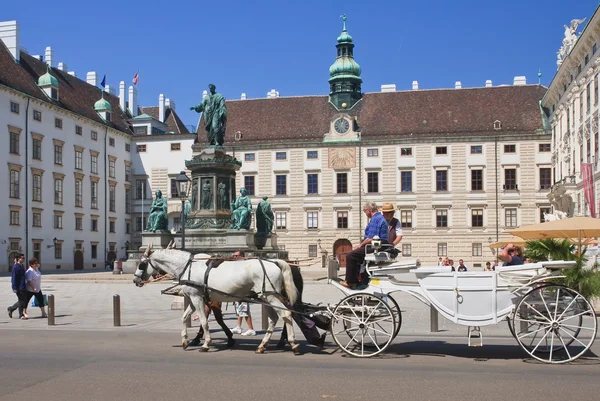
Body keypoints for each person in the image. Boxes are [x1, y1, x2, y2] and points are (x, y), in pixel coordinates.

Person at [341, 202, 388, 289]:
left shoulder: (375, 219)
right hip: (378, 245)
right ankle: (360, 279)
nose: (365, 213)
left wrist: (360, 245)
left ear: (369, 210)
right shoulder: (379, 218)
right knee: (356, 255)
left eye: (364, 211)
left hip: (375, 246)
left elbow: (371, 238)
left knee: (350, 255)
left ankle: (351, 282)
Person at [230, 250, 256, 336]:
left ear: (241, 256)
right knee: (239, 310)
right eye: (234, 256)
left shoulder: (245, 265)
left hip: (244, 291)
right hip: (238, 291)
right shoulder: (237, 265)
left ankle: (251, 329)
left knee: (244, 310)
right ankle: (238, 327)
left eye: (236, 256)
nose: (235, 257)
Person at [7, 254, 28, 320]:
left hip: (23, 285)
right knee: (22, 301)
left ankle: (11, 309)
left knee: (22, 300)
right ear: (18, 258)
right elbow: (14, 277)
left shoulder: (21, 266)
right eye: (22, 258)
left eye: (24, 258)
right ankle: (20, 315)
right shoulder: (16, 266)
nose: (23, 259)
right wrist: (14, 287)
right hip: (19, 287)